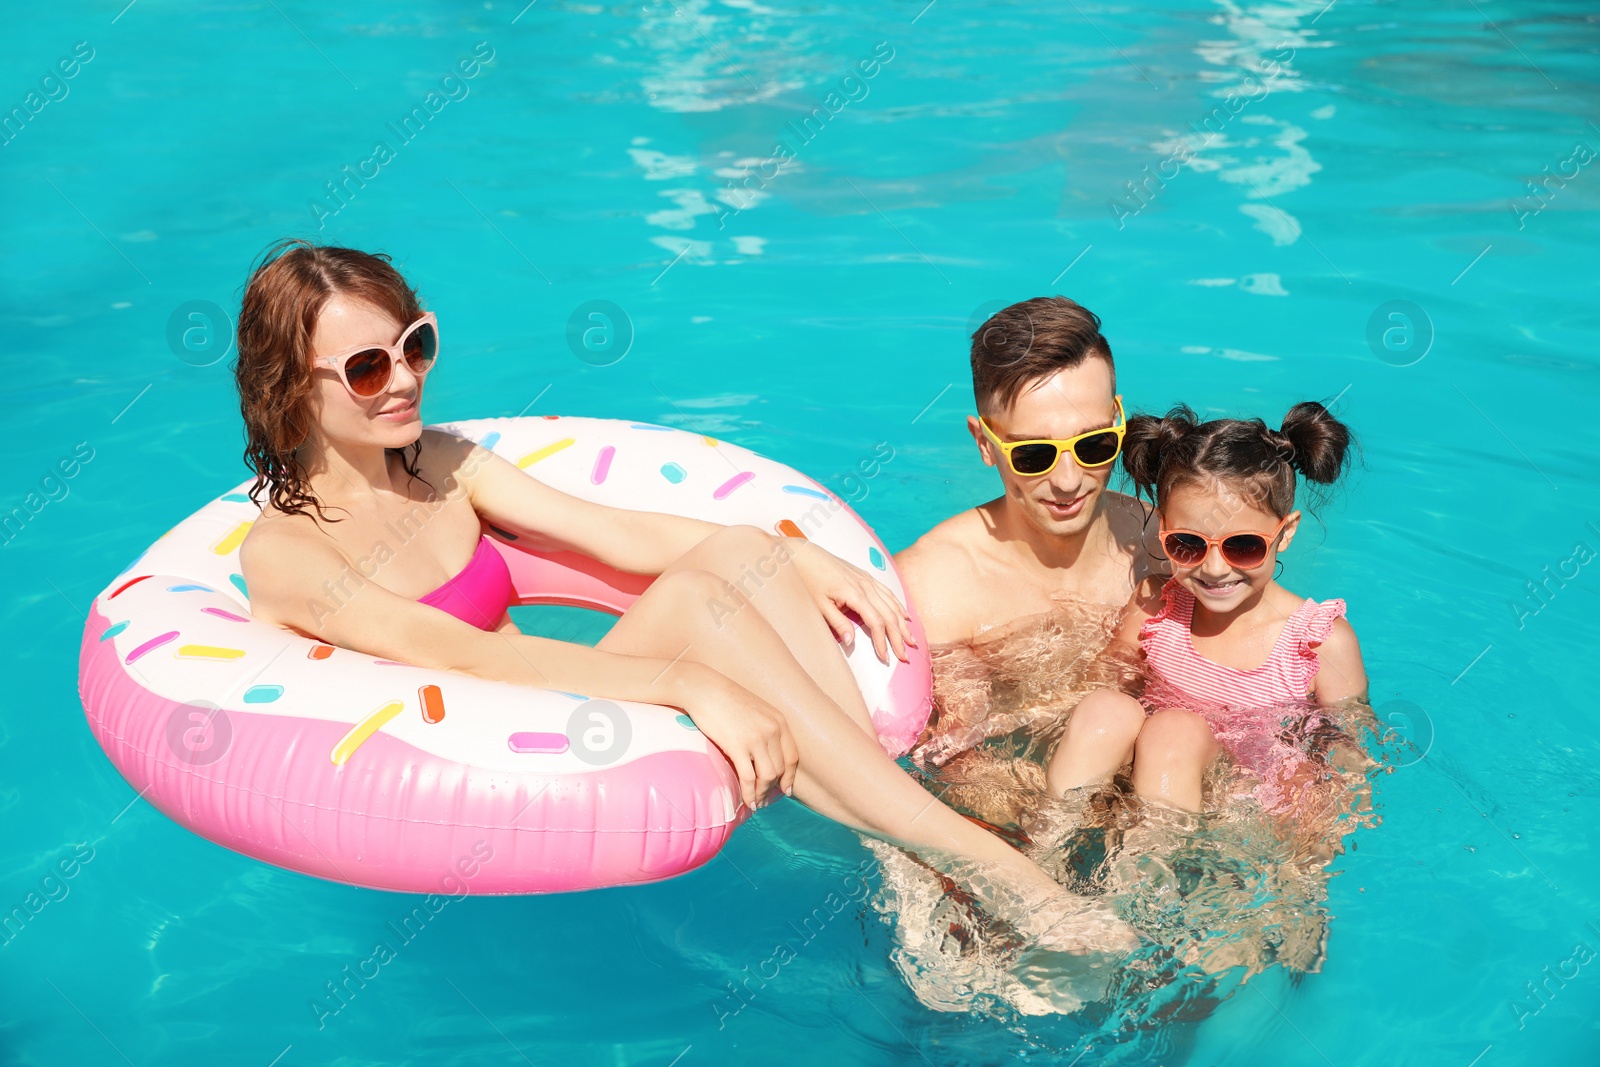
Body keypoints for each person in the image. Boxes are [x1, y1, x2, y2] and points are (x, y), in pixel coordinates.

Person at [231, 240, 1128, 950]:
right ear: (289, 387)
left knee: (739, 553)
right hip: (489, 750)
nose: (405, 380)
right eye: (365, 369)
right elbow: (472, 655)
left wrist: (791, 557)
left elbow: (617, 532)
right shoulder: (290, 552)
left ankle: (918, 874)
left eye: (414, 345)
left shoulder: (439, 462)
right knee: (705, 607)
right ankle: (994, 874)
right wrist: (690, 681)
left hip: (545, 700)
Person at [1044, 401, 1370, 816]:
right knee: (1105, 707)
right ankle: (1046, 842)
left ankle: (1150, 871)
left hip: (1235, 807)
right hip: (1138, 786)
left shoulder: (1319, 642)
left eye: (1243, 546)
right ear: (1162, 529)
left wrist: (1316, 833)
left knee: (1175, 732)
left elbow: (1348, 752)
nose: (1214, 569)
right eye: (1188, 544)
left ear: (1285, 532)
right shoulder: (1153, 605)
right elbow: (1098, 684)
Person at [896, 297, 1162, 769]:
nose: (1067, 480)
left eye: (1094, 444)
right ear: (985, 444)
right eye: (1034, 455)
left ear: (1119, 420)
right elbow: (961, 767)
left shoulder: (1165, 544)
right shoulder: (934, 586)